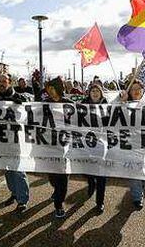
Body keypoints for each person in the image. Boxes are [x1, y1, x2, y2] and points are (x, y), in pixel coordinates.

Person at [0, 74, 30, 213]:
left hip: (16, 141)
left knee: (18, 170)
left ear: (9, 83)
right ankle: (14, 193)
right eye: (0, 82)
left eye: (4, 81)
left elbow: (29, 108)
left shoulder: (18, 98)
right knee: (7, 170)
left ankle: (22, 200)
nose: (2, 84)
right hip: (0, 141)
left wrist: (20, 101)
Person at [40, 76, 73, 218]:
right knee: (53, 177)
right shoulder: (43, 104)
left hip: (64, 146)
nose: (50, 91)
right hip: (49, 145)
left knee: (63, 177)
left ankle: (58, 205)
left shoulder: (68, 103)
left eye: (53, 88)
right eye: (49, 89)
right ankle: (56, 189)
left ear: (58, 89)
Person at [81, 84, 108, 213]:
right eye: (93, 91)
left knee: (101, 173)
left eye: (97, 91)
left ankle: (100, 202)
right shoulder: (83, 104)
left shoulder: (107, 105)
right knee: (88, 169)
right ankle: (91, 182)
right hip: (86, 142)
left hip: (102, 143)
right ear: (89, 93)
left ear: (101, 93)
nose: (95, 93)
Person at [120, 79, 145, 210]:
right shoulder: (124, 104)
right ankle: (137, 197)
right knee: (134, 171)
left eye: (138, 89)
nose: (136, 91)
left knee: (141, 169)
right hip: (130, 143)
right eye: (133, 89)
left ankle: (141, 187)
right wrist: (123, 102)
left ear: (142, 91)